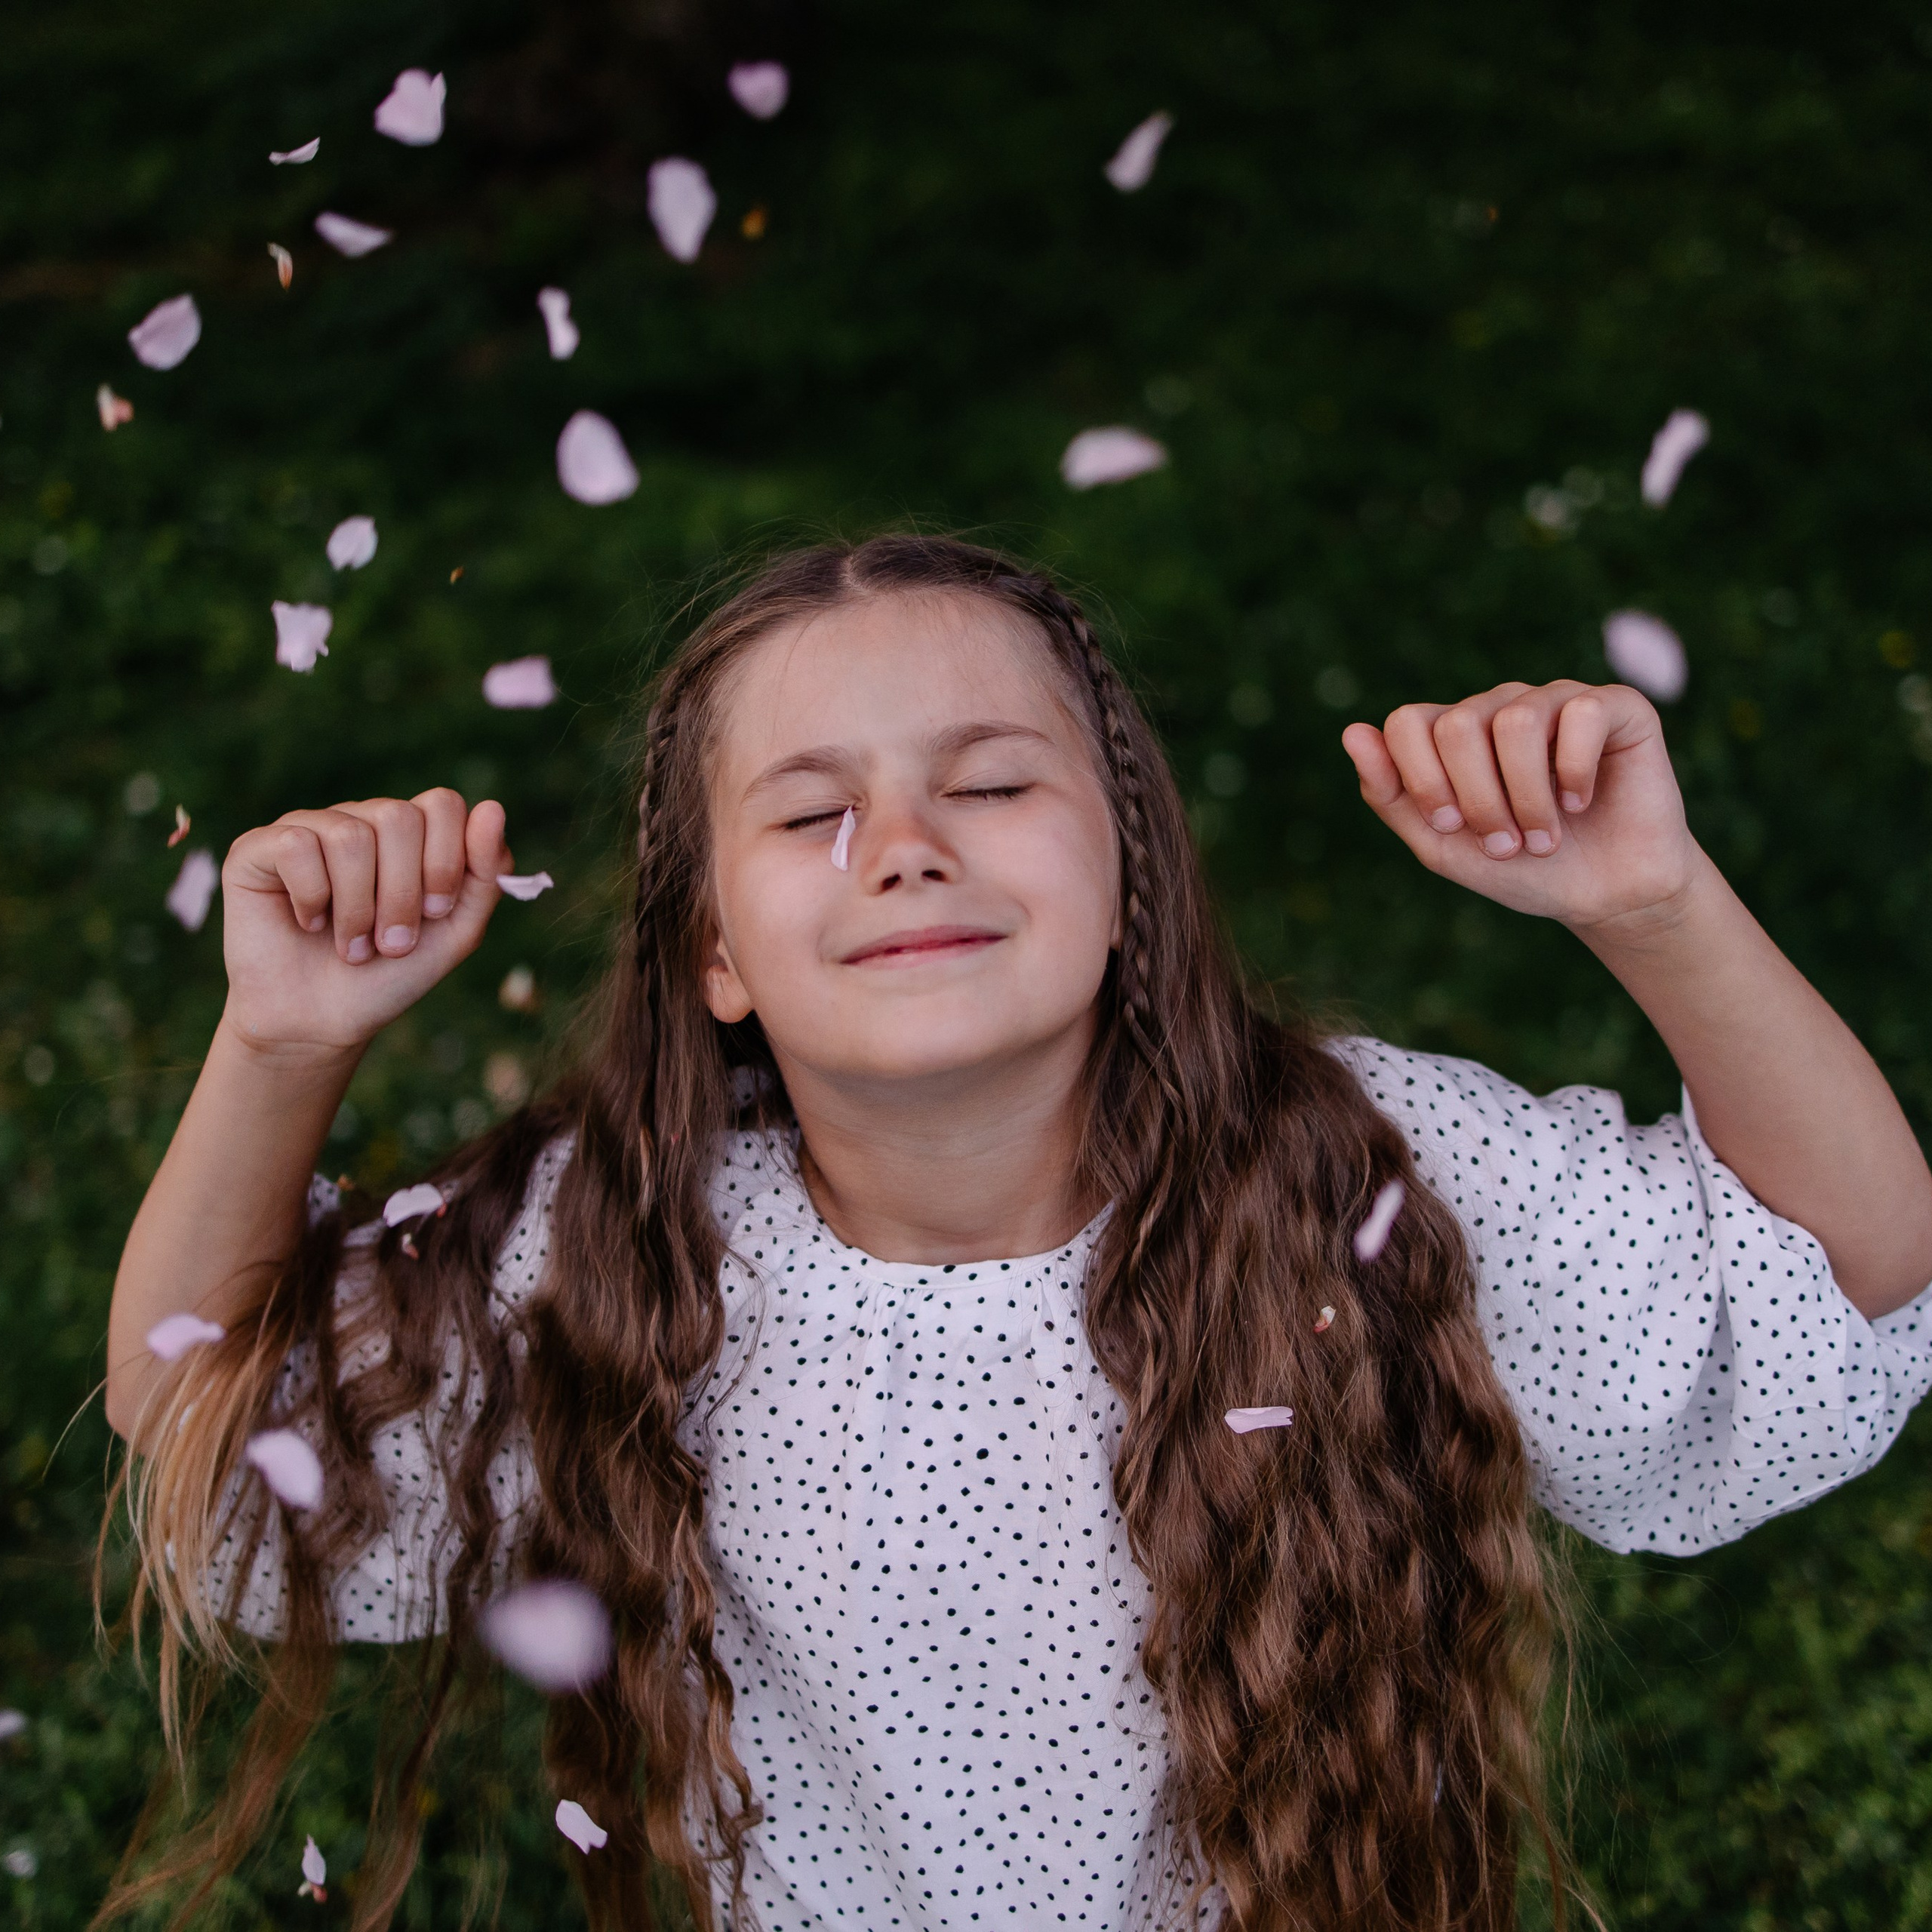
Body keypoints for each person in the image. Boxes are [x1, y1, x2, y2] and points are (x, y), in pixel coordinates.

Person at [100, 534, 1932, 1932]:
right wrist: (283, 1042)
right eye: (811, 809)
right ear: (713, 954)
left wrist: (1655, 903)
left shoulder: (1356, 1170)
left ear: (1127, 869)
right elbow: (207, 1441)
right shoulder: (619, 1246)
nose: (901, 843)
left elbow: (1840, 1278)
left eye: (988, 782)